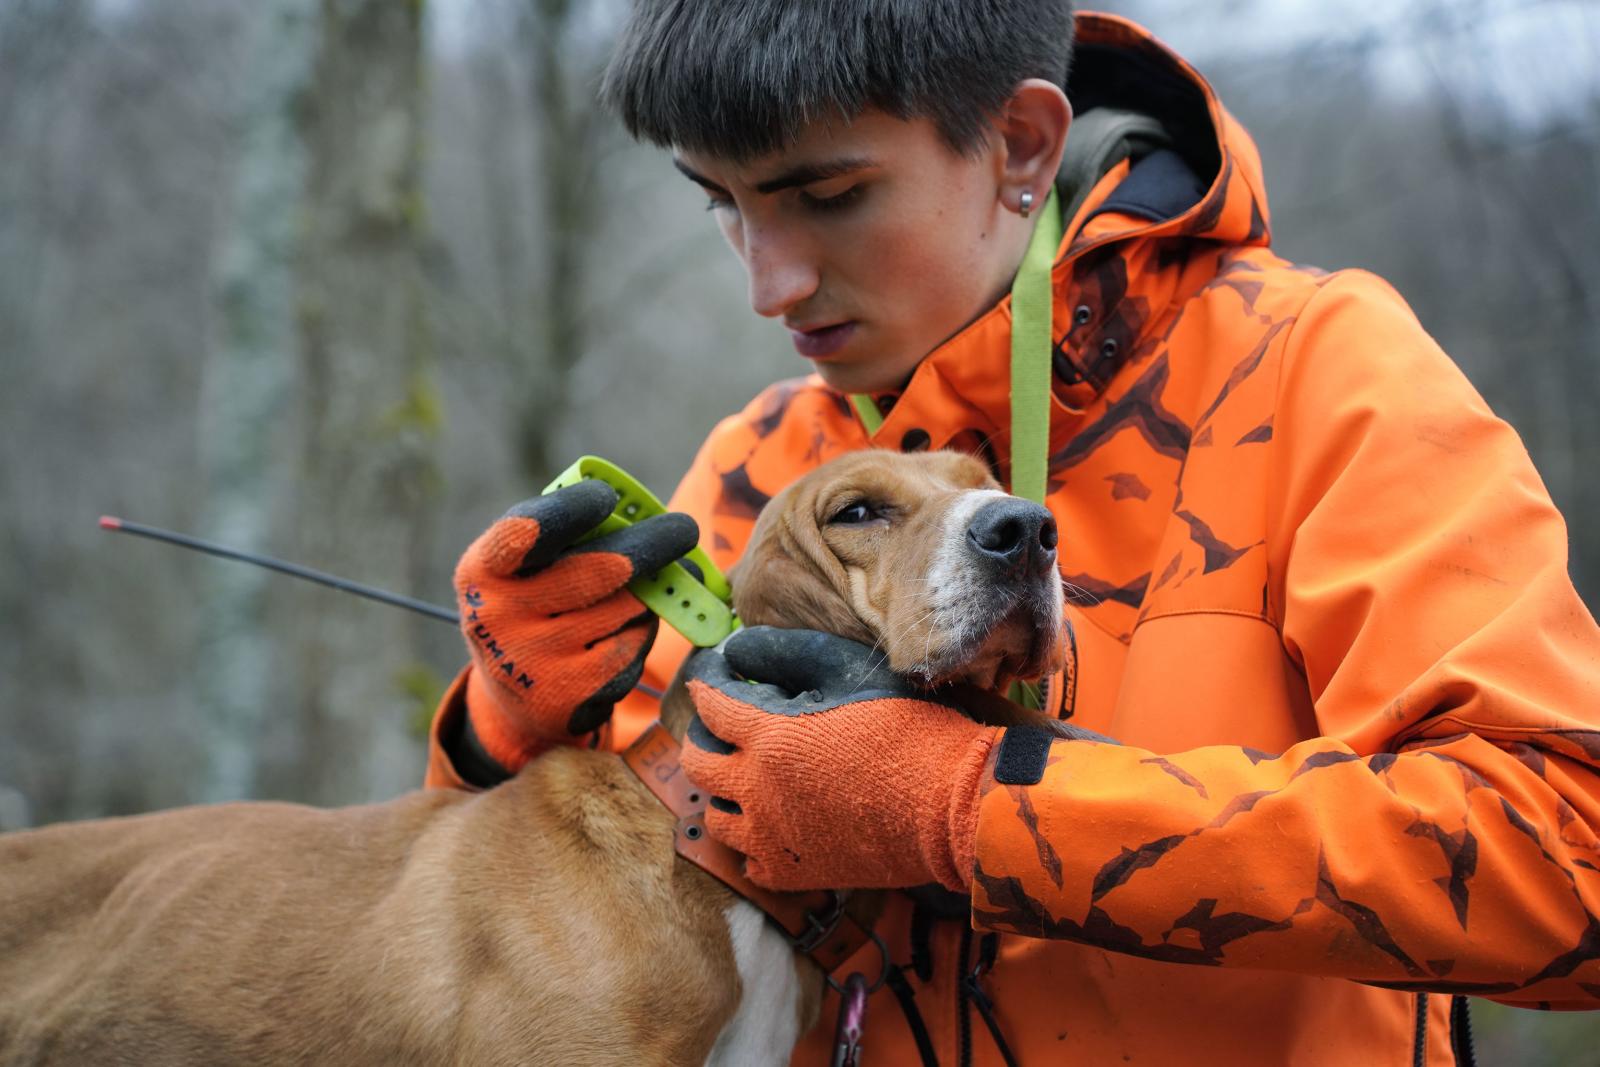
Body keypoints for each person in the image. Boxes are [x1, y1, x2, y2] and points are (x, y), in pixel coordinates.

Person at [426, 3, 1600, 1063]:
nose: (767, 284)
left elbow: (1567, 860)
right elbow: (531, 937)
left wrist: (974, 808)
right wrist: (506, 738)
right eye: (722, 204)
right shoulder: (766, 462)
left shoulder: (1309, 373)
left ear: (1023, 146)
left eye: (827, 195)